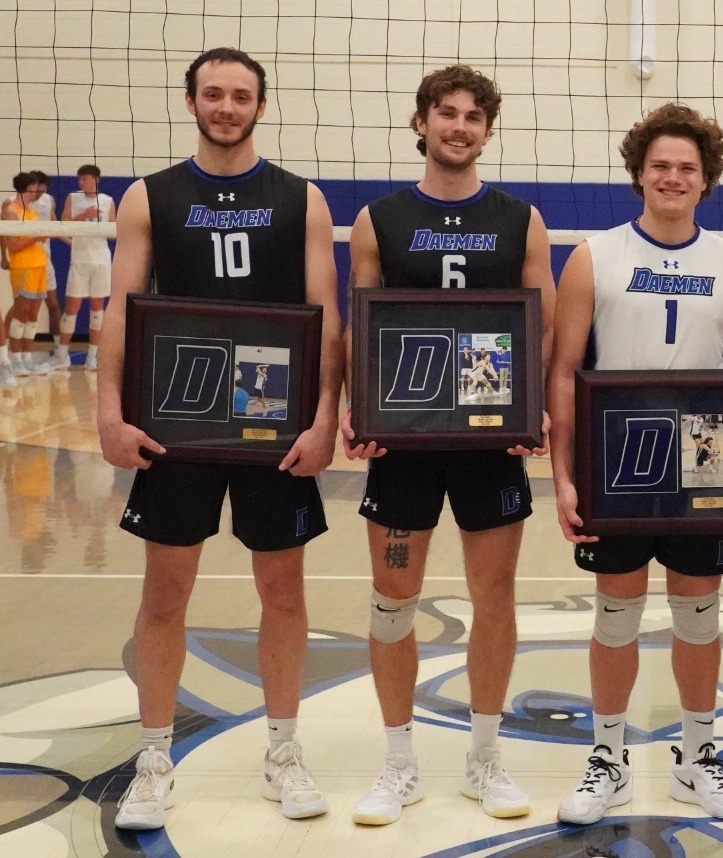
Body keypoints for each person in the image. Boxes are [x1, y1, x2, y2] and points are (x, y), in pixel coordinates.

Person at [95, 47, 343, 830]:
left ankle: (283, 753)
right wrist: (107, 410)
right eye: (213, 94)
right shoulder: (149, 196)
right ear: (190, 101)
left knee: (284, 592)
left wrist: (325, 417)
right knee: (165, 593)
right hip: (179, 420)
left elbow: (326, 315)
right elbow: (120, 307)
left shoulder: (301, 199)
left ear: (260, 107)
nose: (226, 107)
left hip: (273, 419)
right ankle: (154, 762)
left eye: (240, 95)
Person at [340, 64, 555, 826]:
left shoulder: (520, 220)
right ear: (421, 122)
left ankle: (483, 758)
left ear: (486, 131)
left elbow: (543, 326)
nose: (458, 127)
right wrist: (356, 407)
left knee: (493, 597)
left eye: (472, 116)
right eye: (446, 113)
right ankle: (398, 763)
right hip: (403, 440)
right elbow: (358, 322)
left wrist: (534, 409)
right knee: (392, 597)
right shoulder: (379, 219)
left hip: (489, 440)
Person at [549, 101, 723, 826]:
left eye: (687, 168)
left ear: (706, 180)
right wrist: (564, 476)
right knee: (616, 614)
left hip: (704, 451)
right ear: (638, 174)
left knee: (699, 613)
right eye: (660, 166)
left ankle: (697, 757)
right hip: (618, 455)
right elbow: (563, 372)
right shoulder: (593, 256)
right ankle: (607, 759)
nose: (673, 177)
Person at [61, 164, 116, 370]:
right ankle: (61, 355)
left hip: (101, 259)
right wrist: (84, 215)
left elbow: (113, 232)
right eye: (80, 179)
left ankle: (93, 356)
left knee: (97, 308)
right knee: (71, 307)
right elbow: (63, 225)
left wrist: (110, 227)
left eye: (85, 178)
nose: (81, 182)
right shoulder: (73, 198)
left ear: (96, 179)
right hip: (79, 259)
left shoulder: (107, 200)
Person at [1, 172, 48, 385]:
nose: (39, 190)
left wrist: (40, 237)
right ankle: (15, 358)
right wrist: (36, 237)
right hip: (23, 267)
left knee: (33, 315)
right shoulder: (11, 211)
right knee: (21, 314)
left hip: (39, 265)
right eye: (36, 186)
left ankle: (28, 359)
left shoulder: (31, 210)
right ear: (29, 187)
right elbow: (13, 245)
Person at [29, 171, 70, 371]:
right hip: (26, 261)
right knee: (26, 309)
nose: (41, 189)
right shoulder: (18, 202)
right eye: (38, 185)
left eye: (43, 186)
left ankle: (60, 351)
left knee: (53, 305)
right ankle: (19, 355)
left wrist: (71, 241)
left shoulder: (49, 200)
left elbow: (53, 225)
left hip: (45, 261)